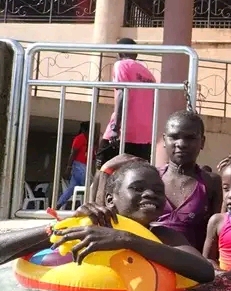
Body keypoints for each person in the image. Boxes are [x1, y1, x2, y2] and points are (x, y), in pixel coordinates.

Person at [0, 160, 214, 284]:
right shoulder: (89, 227)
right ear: (110, 199)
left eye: (158, 191)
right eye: (138, 188)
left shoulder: (164, 236)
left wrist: (127, 239)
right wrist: (69, 224)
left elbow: (205, 272)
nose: (150, 194)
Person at [155, 111, 222, 251]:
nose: (181, 144)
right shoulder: (151, 178)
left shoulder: (212, 183)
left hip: (192, 262)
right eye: (174, 137)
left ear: (202, 142)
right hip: (148, 260)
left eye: (190, 138)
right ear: (164, 140)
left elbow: (216, 236)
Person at [95, 37, 157, 168]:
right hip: (144, 136)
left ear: (120, 51)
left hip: (124, 130)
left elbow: (122, 94)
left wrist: (115, 128)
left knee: (103, 169)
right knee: (135, 174)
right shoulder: (149, 75)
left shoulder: (121, 65)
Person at [56, 121, 90, 209]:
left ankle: (57, 206)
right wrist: (68, 168)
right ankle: (91, 207)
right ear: (85, 130)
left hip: (82, 165)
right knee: (90, 186)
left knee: (71, 189)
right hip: (79, 165)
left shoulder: (87, 139)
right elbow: (73, 153)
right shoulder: (80, 138)